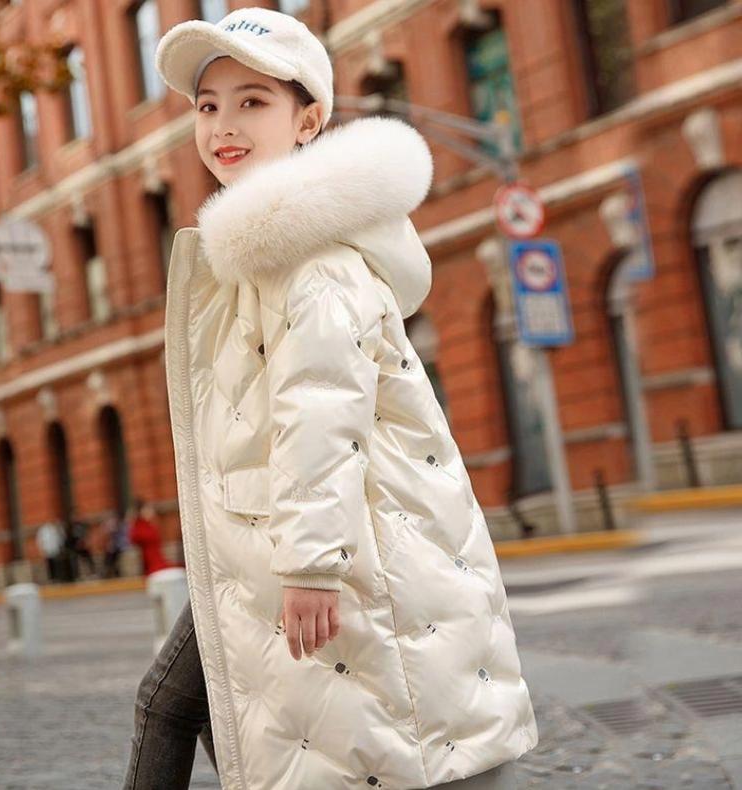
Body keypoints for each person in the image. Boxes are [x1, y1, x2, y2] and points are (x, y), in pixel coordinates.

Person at [123, 7, 538, 789]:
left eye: (253, 102)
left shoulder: (309, 260)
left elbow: (321, 407)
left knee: (180, 708)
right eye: (208, 107)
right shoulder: (263, 255)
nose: (223, 126)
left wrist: (311, 565)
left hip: (326, 544)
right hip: (275, 544)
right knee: (216, 714)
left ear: (308, 120)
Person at [127, 500, 173, 577]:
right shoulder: (139, 526)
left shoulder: (148, 524)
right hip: (150, 561)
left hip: (157, 557)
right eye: (147, 509)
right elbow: (134, 538)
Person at [101, 509, 129, 579]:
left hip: (116, 547)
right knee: (109, 561)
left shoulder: (119, 525)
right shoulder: (115, 525)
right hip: (112, 547)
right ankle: (111, 573)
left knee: (113, 561)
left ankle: (114, 573)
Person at [35, 519, 65, 583]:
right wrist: (41, 550)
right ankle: (53, 578)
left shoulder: (55, 529)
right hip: (47, 550)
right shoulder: (43, 530)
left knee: (57, 564)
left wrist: (60, 547)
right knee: (50, 565)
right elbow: (40, 541)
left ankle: (59, 577)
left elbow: (59, 539)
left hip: (55, 549)